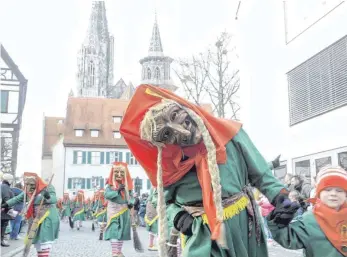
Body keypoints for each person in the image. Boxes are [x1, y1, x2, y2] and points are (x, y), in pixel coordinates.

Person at [119, 84, 297, 257]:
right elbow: (161, 201)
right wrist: (178, 217)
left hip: (244, 227)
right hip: (201, 235)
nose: (179, 130)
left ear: (184, 108)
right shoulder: (170, 168)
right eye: (166, 134)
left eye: (175, 115)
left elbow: (261, 173)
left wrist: (281, 198)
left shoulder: (230, 135)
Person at [268, 166, 347, 257]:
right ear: (319, 193)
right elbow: (288, 238)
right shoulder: (309, 220)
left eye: (339, 190)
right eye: (328, 189)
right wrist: (278, 223)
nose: (333, 194)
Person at [1, 172, 60, 257]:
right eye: (27, 184)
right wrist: (4, 205)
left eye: (31, 184)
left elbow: (54, 199)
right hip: (34, 219)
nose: (29, 186)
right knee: (38, 244)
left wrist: (47, 196)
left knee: (43, 242)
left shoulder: (47, 187)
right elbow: (17, 199)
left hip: (46, 218)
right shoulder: (28, 190)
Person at [104, 162, 134, 257]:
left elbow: (131, 197)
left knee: (122, 232)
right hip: (113, 211)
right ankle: (114, 252)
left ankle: (119, 252)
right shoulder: (110, 186)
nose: (119, 174)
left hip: (124, 212)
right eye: (117, 172)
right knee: (113, 231)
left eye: (122, 172)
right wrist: (117, 190)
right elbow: (107, 195)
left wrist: (131, 203)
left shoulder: (128, 187)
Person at [1, 173, 14, 247]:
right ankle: (1, 241)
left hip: (4, 209)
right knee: (3, 226)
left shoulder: (3, 186)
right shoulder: (5, 187)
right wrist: (9, 208)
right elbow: (7, 199)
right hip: (4, 211)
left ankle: (2, 240)